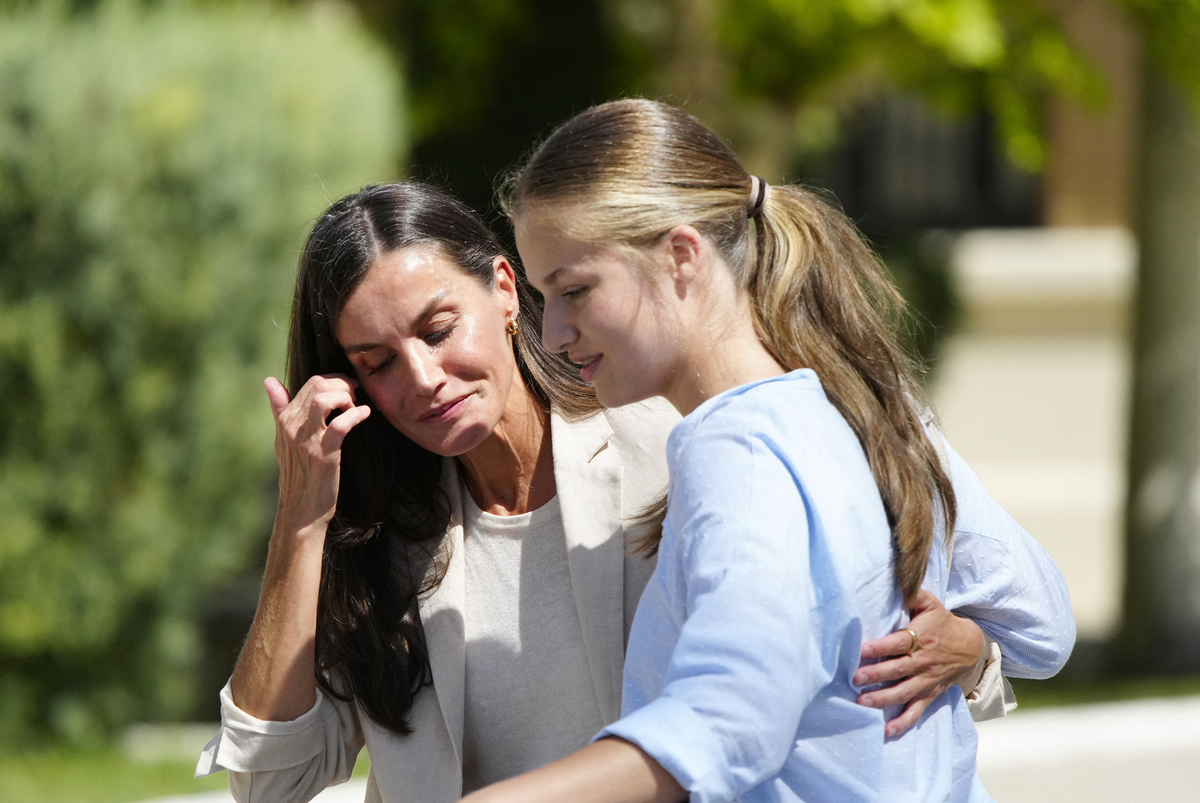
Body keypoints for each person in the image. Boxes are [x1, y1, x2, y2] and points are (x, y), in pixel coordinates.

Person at [195, 181, 1065, 803]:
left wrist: (972, 648)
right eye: (376, 363)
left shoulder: (684, 429)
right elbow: (270, 783)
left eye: (436, 327)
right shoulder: (379, 534)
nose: (421, 378)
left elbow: (784, 673)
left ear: (505, 290)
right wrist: (302, 520)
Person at [455, 99, 1075, 803]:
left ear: (682, 256)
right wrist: (970, 648)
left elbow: (730, 718)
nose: (556, 331)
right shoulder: (857, 401)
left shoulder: (740, 450)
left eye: (575, 290)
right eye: (545, 297)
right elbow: (1042, 622)